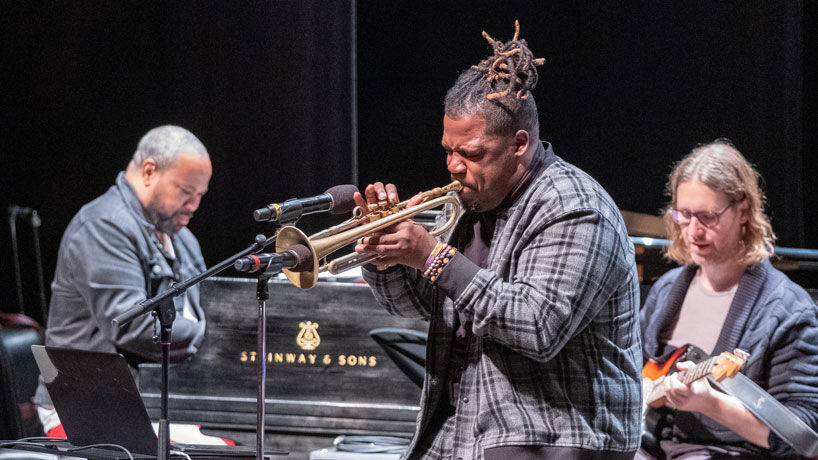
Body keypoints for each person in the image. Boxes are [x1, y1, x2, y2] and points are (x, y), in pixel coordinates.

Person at [355, 21, 642, 460]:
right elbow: (415, 305)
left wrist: (432, 255)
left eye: (469, 153)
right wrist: (386, 257)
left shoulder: (574, 207)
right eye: (448, 150)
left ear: (519, 144)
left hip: (555, 440)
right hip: (464, 432)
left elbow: (538, 326)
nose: (453, 166)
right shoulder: (470, 204)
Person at [638, 139, 818, 459]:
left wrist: (713, 405)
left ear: (744, 210)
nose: (693, 231)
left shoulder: (788, 310)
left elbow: (805, 434)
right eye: (684, 214)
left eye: (707, 216)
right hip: (650, 444)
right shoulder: (667, 289)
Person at [34, 125, 212, 436]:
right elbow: (132, 324)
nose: (194, 205)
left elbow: (205, 308)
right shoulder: (103, 227)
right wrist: (219, 341)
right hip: (87, 404)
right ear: (149, 171)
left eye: (200, 195)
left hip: (152, 398)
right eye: (186, 191)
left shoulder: (181, 237)